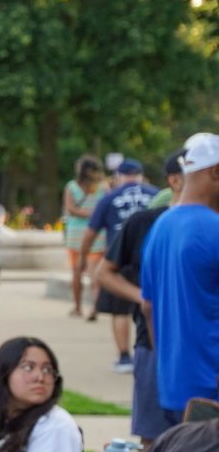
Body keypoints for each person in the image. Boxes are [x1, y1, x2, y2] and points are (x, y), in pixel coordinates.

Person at [97, 149, 188, 442]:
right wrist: (142, 297)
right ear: (175, 181)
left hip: (202, 349)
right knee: (154, 439)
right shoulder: (144, 223)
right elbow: (104, 273)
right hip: (152, 345)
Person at [141, 133, 219, 425]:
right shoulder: (214, 229)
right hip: (210, 388)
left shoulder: (160, 227)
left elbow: (147, 307)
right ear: (215, 171)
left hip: (173, 386)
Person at [82, 158, 159, 373]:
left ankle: (125, 357)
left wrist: (83, 256)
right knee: (150, 309)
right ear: (141, 175)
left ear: (119, 176)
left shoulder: (110, 198)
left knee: (120, 312)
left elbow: (91, 232)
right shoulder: (156, 194)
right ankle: (152, 351)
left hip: (120, 259)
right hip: (150, 260)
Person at [63, 154, 106, 319]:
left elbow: (71, 209)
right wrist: (96, 216)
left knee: (76, 272)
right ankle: (95, 307)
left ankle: (77, 307)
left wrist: (87, 214)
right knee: (94, 272)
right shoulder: (102, 187)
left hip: (75, 235)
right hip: (97, 234)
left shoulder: (71, 187)